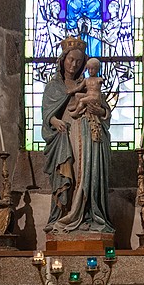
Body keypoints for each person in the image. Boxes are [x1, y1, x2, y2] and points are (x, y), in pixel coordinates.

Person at [43, 37, 113, 233]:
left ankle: (88, 215)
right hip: (66, 135)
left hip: (89, 134)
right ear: (63, 59)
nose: (74, 65)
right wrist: (54, 120)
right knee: (70, 173)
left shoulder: (88, 83)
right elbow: (47, 112)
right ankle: (64, 215)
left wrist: (100, 112)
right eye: (71, 60)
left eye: (79, 61)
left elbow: (104, 110)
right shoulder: (54, 86)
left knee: (88, 171)